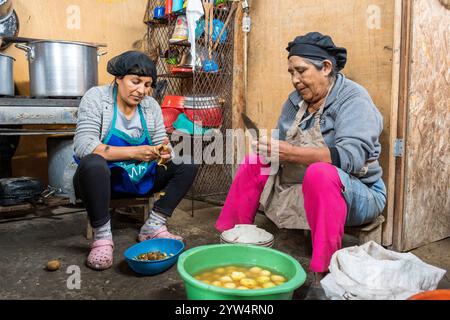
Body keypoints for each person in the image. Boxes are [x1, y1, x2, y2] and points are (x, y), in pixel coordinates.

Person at [215, 32, 387, 284]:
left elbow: (351, 157)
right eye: (291, 73)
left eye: (301, 71)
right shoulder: (296, 101)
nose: (295, 80)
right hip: (305, 187)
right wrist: (271, 148)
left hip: (360, 193)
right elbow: (282, 144)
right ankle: (233, 241)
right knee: (256, 161)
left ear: (326, 67)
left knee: (321, 173)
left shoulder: (353, 99)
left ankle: (325, 274)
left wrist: (290, 152)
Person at [71, 51, 199, 270]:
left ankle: (154, 225)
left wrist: (165, 152)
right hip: (103, 182)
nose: (142, 91)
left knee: (187, 162)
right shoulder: (97, 98)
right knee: (93, 162)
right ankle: (102, 238)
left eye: (148, 85)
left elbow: (162, 142)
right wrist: (135, 152)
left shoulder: (150, 106)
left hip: (141, 179)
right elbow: (83, 146)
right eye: (136, 82)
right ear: (118, 78)